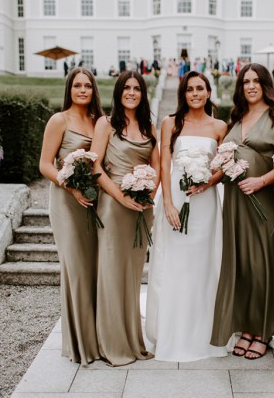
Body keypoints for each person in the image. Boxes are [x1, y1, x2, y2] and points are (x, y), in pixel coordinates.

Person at [145, 71, 232, 362]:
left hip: (205, 204)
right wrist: (167, 203)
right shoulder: (170, 123)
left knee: (203, 265)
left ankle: (204, 334)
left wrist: (209, 182)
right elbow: (165, 163)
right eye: (190, 89)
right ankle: (172, 334)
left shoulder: (220, 126)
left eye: (200, 88)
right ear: (183, 94)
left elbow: (225, 165)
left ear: (208, 92)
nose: (195, 93)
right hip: (177, 201)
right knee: (175, 265)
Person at [210, 63, 274, 359]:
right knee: (240, 263)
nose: (251, 86)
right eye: (246, 82)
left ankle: (262, 330)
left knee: (260, 264)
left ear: (266, 85)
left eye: (257, 81)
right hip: (235, 200)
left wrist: (261, 180)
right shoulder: (236, 117)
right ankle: (244, 327)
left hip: (262, 199)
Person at [91, 71, 160, 367]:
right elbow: (95, 167)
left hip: (141, 209)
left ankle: (132, 341)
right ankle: (111, 344)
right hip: (112, 204)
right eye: (126, 88)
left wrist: (147, 197)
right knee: (111, 272)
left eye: (137, 88)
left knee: (132, 276)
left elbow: (156, 168)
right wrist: (121, 197)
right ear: (118, 92)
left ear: (143, 94)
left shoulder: (149, 127)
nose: (131, 92)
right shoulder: (105, 124)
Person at [38, 67, 104, 366]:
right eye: (77, 85)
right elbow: (45, 164)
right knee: (76, 268)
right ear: (70, 88)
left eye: (87, 86)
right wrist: (70, 185)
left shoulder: (99, 121)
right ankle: (80, 344)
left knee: (95, 267)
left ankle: (100, 335)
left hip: (95, 200)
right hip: (66, 200)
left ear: (93, 90)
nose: (82, 90)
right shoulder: (59, 120)